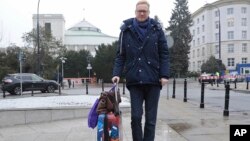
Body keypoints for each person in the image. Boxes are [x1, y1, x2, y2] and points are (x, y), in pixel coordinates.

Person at [112, 0, 169, 141]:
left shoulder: (157, 29)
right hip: (135, 80)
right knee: (136, 117)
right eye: (139, 11)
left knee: (150, 120)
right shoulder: (126, 30)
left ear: (149, 13)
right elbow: (120, 55)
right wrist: (116, 74)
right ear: (135, 12)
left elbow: (164, 53)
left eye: (145, 11)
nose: (142, 13)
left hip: (153, 80)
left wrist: (164, 75)